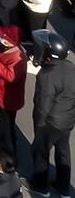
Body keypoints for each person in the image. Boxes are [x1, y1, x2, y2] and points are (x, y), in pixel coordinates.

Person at [31, 34, 75, 197]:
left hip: (49, 122)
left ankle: (40, 186)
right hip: (67, 120)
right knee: (63, 152)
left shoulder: (46, 74)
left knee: (40, 152)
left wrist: (38, 124)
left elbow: (43, 104)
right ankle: (63, 188)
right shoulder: (70, 66)